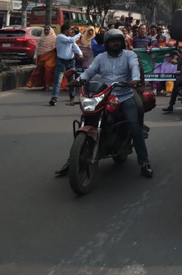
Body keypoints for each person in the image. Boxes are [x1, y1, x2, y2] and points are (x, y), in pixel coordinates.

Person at [58, 29, 154, 178]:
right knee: (86, 119)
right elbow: (90, 71)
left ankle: (144, 162)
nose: (115, 43)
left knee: (134, 125)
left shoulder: (129, 55)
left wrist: (134, 79)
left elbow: (134, 67)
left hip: (124, 94)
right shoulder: (101, 58)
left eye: (118, 40)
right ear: (107, 43)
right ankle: (73, 160)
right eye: (111, 40)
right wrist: (79, 81)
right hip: (104, 95)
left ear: (122, 42)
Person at [49, 24, 83, 106]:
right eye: (70, 30)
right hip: (61, 61)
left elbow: (75, 46)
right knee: (58, 80)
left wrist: (80, 53)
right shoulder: (60, 37)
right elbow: (72, 40)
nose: (71, 31)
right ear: (65, 30)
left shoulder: (69, 39)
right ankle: (54, 98)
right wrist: (79, 33)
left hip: (71, 61)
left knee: (71, 80)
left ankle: (72, 95)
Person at [26, 25, 58, 91]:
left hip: (50, 57)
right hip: (41, 57)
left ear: (50, 31)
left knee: (48, 70)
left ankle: (47, 85)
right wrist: (35, 55)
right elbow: (38, 47)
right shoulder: (42, 38)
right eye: (45, 30)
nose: (46, 31)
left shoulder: (54, 38)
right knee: (41, 71)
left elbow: (56, 47)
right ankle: (44, 85)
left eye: (47, 30)